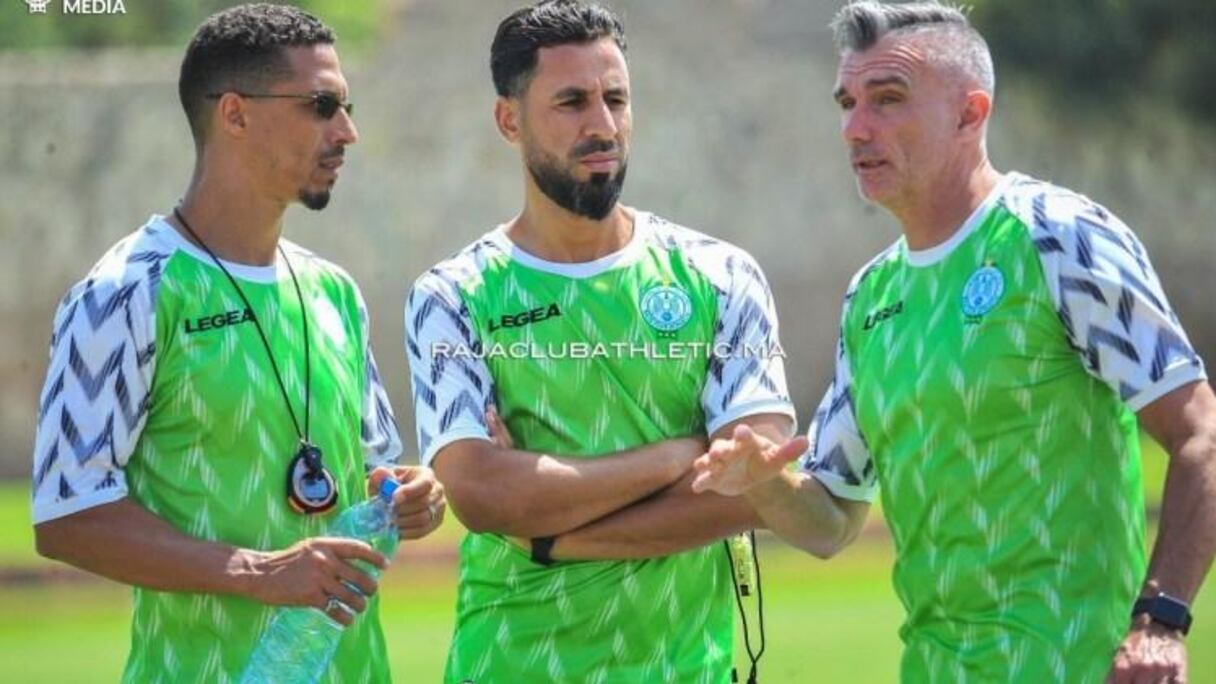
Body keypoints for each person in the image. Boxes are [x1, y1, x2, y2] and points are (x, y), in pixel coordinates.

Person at [690, 2, 1216, 682]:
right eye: (847, 103)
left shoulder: (1058, 238)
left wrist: (1160, 621)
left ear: (970, 114)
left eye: (887, 99)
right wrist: (767, 483)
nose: (856, 127)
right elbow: (830, 521)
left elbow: (1201, 433)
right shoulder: (871, 296)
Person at [30, 4, 445, 682]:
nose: (347, 131)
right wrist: (258, 572)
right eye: (321, 106)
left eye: (346, 107)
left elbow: (372, 472)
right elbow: (66, 514)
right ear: (234, 113)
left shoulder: (334, 292)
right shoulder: (127, 291)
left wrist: (407, 493)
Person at [403, 1, 801, 681]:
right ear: (509, 120)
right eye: (572, 102)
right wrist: (680, 454)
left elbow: (750, 489)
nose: (603, 125)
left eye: (616, 99)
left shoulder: (721, 275)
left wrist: (551, 534)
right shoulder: (452, 295)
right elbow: (482, 494)